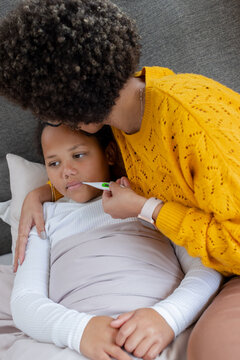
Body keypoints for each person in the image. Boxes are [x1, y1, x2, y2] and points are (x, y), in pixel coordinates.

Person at [0, 0, 239, 358]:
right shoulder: (124, 122)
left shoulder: (194, 125)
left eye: (47, 109)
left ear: (72, 107)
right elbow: (91, 177)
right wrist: (40, 195)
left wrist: (151, 210)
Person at [11, 123, 222, 360]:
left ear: (109, 154)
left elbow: (206, 266)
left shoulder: (146, 202)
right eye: (54, 163)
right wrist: (80, 331)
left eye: (78, 156)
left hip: (162, 332)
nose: (66, 172)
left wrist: (168, 317)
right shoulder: (42, 218)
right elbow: (24, 301)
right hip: (79, 341)